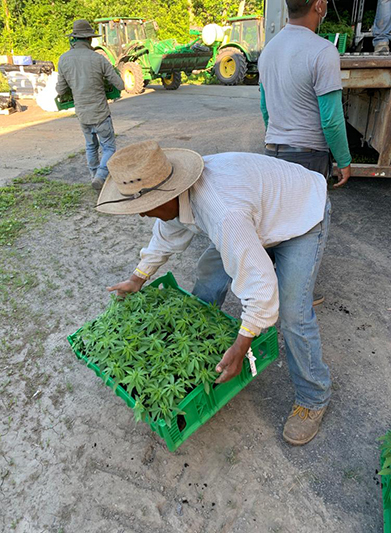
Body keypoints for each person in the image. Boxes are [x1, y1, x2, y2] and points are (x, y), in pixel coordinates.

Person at [97, 140, 332, 446]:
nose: (142, 216)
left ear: (168, 194)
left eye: (145, 208)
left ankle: (313, 397)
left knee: (292, 314)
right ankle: (199, 346)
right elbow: (167, 233)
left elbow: (260, 285)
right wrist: (137, 278)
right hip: (257, 212)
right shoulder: (177, 195)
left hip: (301, 212)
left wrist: (241, 346)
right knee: (209, 276)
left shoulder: (222, 211)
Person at [258, 0, 352, 187]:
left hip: (271, 154)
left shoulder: (268, 50)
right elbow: (331, 120)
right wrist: (343, 160)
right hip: (308, 158)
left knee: (279, 215)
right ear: (318, 6)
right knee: (309, 216)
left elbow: (265, 108)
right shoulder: (323, 51)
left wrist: (279, 136)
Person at [56, 19, 125, 190]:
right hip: (100, 113)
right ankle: (101, 176)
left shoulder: (63, 59)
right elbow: (120, 85)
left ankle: (94, 175)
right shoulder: (98, 59)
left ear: (74, 38)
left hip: (83, 114)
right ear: (89, 39)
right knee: (108, 146)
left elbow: (61, 89)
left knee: (90, 146)